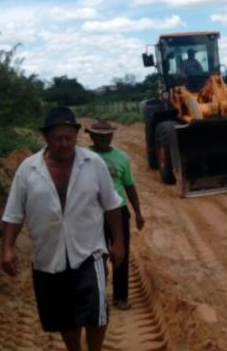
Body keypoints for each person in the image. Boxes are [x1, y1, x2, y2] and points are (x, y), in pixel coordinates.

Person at [1, 106, 125, 351]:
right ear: (46, 138)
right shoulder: (28, 170)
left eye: (69, 137)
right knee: (64, 317)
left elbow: (112, 205)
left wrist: (119, 242)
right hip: (49, 256)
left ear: (76, 136)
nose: (64, 143)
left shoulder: (94, 163)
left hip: (90, 252)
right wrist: (7, 247)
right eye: (57, 138)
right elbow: (14, 213)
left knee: (96, 313)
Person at [86, 118, 145, 310]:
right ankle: (99, 296)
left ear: (112, 135)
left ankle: (120, 297)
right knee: (97, 255)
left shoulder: (121, 158)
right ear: (91, 136)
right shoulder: (83, 156)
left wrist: (138, 213)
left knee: (121, 253)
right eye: (99, 135)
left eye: (107, 135)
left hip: (119, 211)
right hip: (93, 212)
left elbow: (129, 186)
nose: (103, 139)